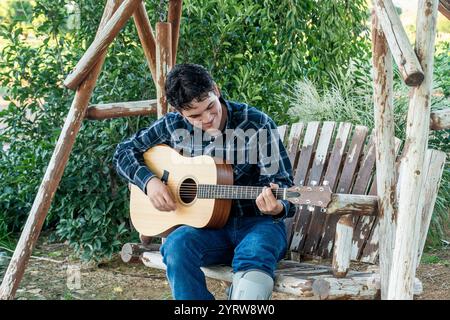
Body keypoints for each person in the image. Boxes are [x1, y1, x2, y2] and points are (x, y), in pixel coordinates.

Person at [113, 63, 295, 300]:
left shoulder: (256, 123)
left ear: (216, 90)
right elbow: (124, 151)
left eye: (210, 107)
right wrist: (149, 182)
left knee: (255, 256)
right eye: (195, 116)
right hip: (206, 229)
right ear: (180, 113)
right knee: (176, 247)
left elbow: (282, 184)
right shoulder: (172, 125)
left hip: (258, 224)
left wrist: (278, 204)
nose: (208, 118)